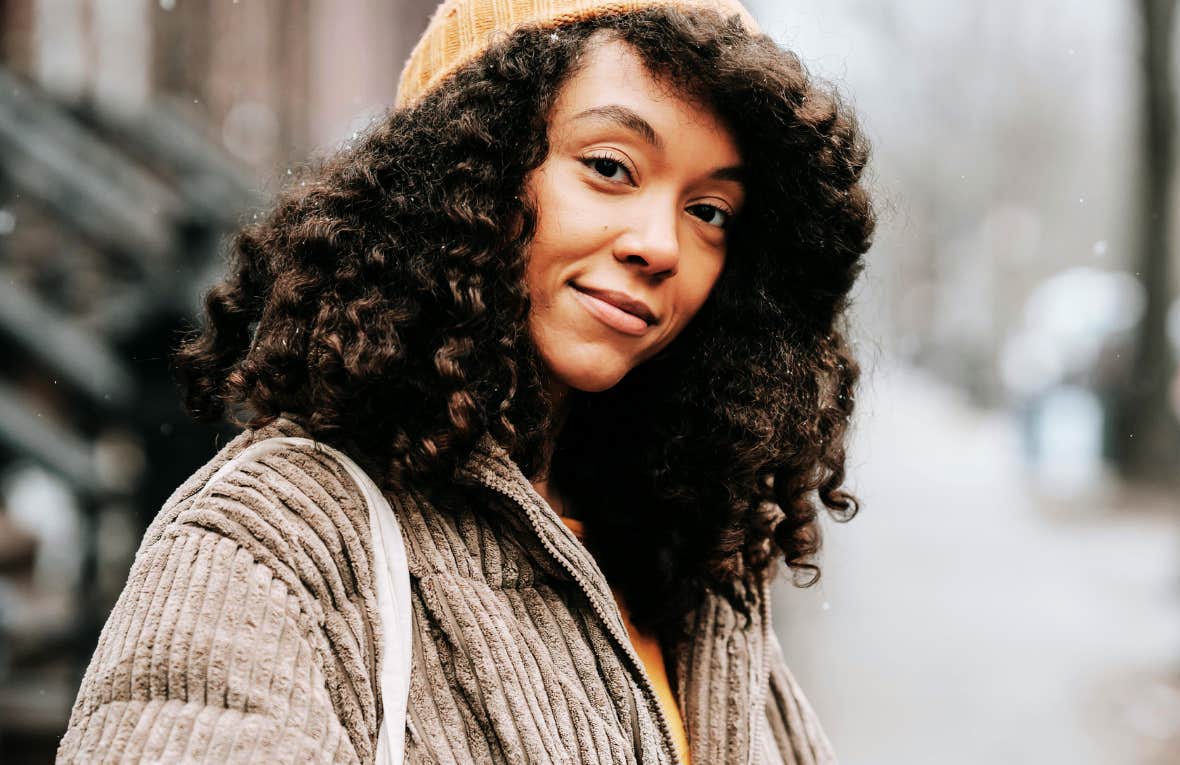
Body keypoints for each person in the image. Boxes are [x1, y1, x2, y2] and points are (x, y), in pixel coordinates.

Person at [57, 0, 873, 762]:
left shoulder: (697, 573)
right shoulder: (278, 541)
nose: (661, 244)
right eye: (611, 166)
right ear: (465, 171)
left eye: (710, 211)